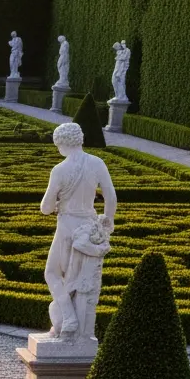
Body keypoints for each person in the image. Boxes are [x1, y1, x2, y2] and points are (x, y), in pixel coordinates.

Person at [39, 119, 116, 342]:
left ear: (62, 143)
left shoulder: (60, 169)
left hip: (67, 226)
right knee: (77, 278)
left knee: (53, 273)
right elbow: (110, 197)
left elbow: (45, 208)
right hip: (90, 226)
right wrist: (107, 223)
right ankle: (68, 323)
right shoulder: (97, 163)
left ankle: (69, 317)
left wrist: (53, 204)